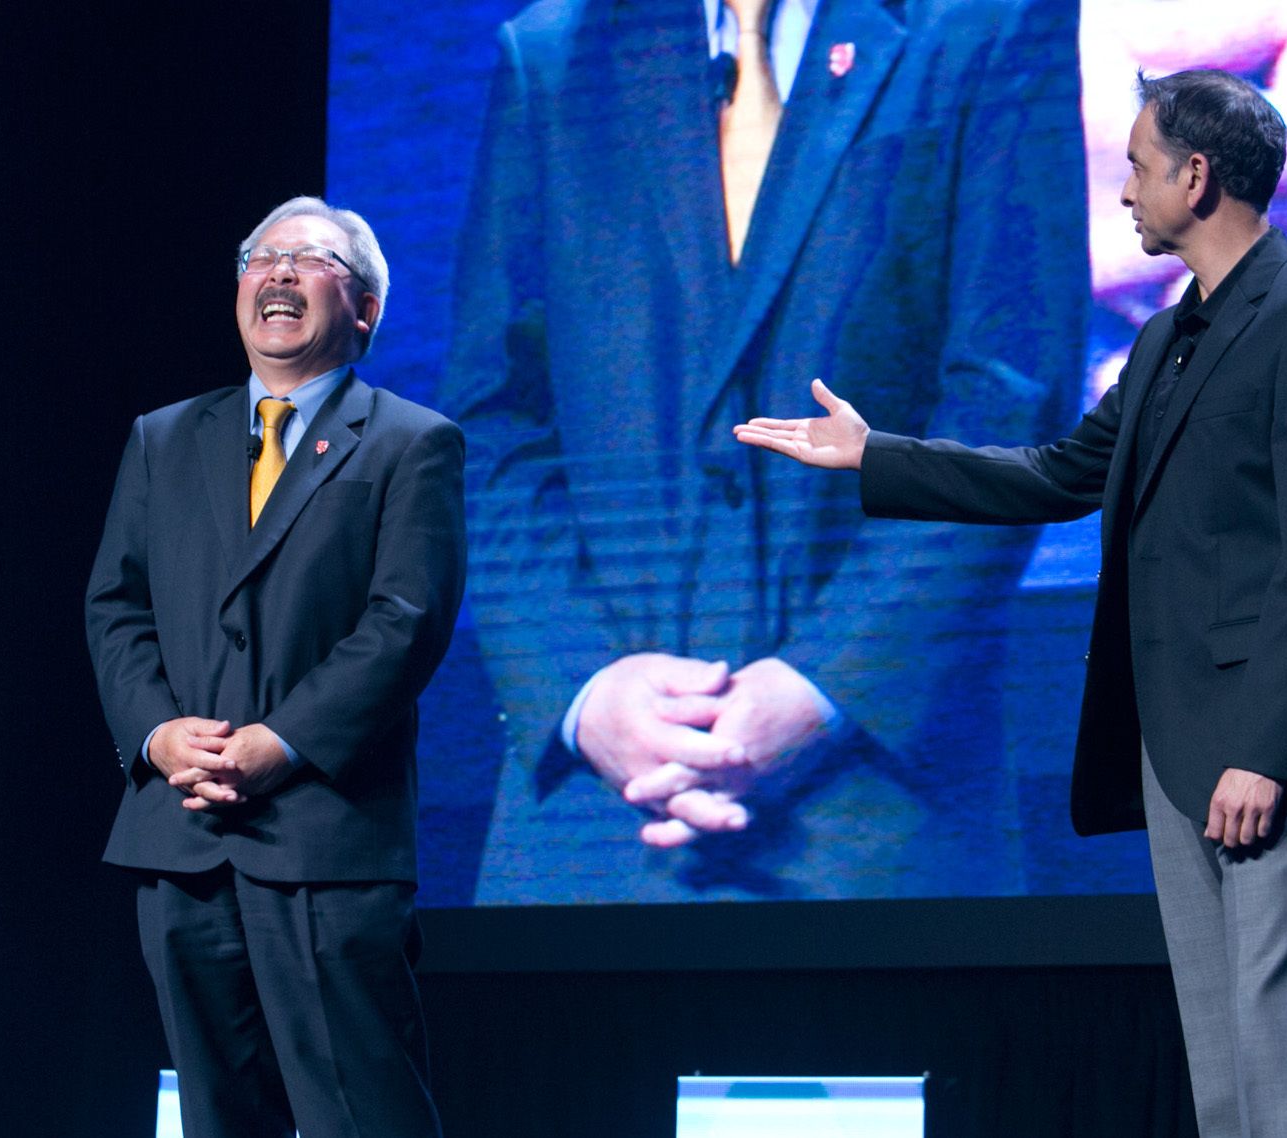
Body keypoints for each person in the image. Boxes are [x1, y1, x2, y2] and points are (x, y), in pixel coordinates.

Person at [737, 69, 1287, 1138]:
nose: (1125, 191)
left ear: (1198, 177)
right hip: (1176, 743)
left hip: (1270, 748)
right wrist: (878, 455)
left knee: (1284, 1039)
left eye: (1140, 169)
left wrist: (1270, 750)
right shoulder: (1165, 339)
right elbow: (1058, 474)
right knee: (1224, 1061)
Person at [444, 0, 1087, 901]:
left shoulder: (985, 24)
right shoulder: (551, 55)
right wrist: (590, 691)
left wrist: (822, 684)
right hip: (595, 828)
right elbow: (491, 421)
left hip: (877, 818)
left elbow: (1007, 399)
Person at [85, 196, 464, 1137]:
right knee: (220, 1117)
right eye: (261, 256)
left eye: (312, 258)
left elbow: (405, 621)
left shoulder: (412, 442)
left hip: (326, 839)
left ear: (365, 309)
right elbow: (117, 607)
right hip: (183, 834)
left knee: (361, 1115)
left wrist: (281, 742)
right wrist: (158, 735)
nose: (280, 272)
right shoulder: (164, 437)